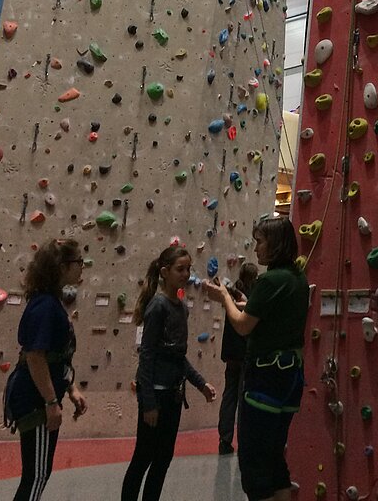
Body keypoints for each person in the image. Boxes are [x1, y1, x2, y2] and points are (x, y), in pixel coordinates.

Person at [206, 214, 309, 501]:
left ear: (275, 244)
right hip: (291, 378)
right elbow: (271, 315)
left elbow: (242, 325)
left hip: (265, 378)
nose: (256, 248)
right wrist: (247, 303)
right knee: (276, 460)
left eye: (260, 242)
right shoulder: (298, 279)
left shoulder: (269, 280)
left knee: (254, 465)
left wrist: (224, 297)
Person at [121, 244, 216, 501]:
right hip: (155, 397)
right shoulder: (158, 307)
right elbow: (147, 355)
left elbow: (177, 357)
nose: (185, 274)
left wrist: (201, 384)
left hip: (173, 396)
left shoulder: (181, 308)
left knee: (163, 458)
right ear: (164, 271)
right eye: (179, 269)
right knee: (143, 457)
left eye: (188, 269)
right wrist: (148, 402)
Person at [4, 238, 88, 501]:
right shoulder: (45, 306)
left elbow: (55, 356)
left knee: (38, 473)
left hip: (39, 397)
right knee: (37, 474)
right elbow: (35, 357)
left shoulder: (51, 302)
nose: (82, 267)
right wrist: (51, 402)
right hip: (35, 401)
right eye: (78, 262)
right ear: (62, 266)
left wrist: (71, 389)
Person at [217, 261, 259, 455]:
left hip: (232, 354)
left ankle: (224, 439)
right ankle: (243, 438)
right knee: (244, 397)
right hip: (245, 354)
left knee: (229, 396)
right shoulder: (253, 297)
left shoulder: (233, 294)